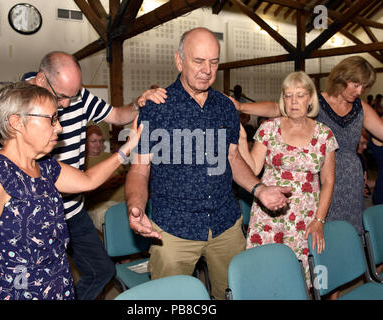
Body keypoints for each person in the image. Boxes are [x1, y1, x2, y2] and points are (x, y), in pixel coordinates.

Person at [0, 51, 166, 300]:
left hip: (57, 283)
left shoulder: (45, 167)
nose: (60, 126)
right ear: (16, 122)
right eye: (53, 119)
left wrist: (126, 148)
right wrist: (10, 175)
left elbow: (89, 180)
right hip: (20, 292)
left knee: (100, 269)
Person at [124, 27, 292, 300]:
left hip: (226, 225)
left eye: (213, 62)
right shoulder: (156, 107)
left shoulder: (225, 106)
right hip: (173, 232)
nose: (207, 69)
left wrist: (260, 190)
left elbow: (233, 158)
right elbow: (140, 170)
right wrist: (135, 205)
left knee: (234, 294)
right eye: (198, 61)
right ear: (179, 61)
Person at [232, 56, 383, 238]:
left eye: (364, 87)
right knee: (319, 234)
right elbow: (276, 108)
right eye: (355, 84)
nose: (359, 91)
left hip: (349, 180)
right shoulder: (314, 101)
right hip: (317, 177)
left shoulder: (361, 108)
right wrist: (240, 107)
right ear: (342, 78)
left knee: (348, 235)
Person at [238, 71, 338, 287]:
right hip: (269, 215)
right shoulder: (268, 129)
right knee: (267, 275)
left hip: (306, 217)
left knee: (303, 279)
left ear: (311, 99)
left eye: (300, 95)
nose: (293, 102)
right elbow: (253, 168)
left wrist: (319, 220)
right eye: (288, 95)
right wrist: (242, 139)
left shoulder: (325, 135)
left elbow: (328, 181)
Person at [84, 125, 127, 231]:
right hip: (102, 205)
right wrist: (104, 185)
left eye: (101, 141)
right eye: (93, 141)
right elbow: (80, 195)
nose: (98, 145)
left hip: (126, 200)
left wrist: (123, 178)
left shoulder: (111, 156)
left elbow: (128, 173)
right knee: (115, 221)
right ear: (84, 142)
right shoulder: (82, 162)